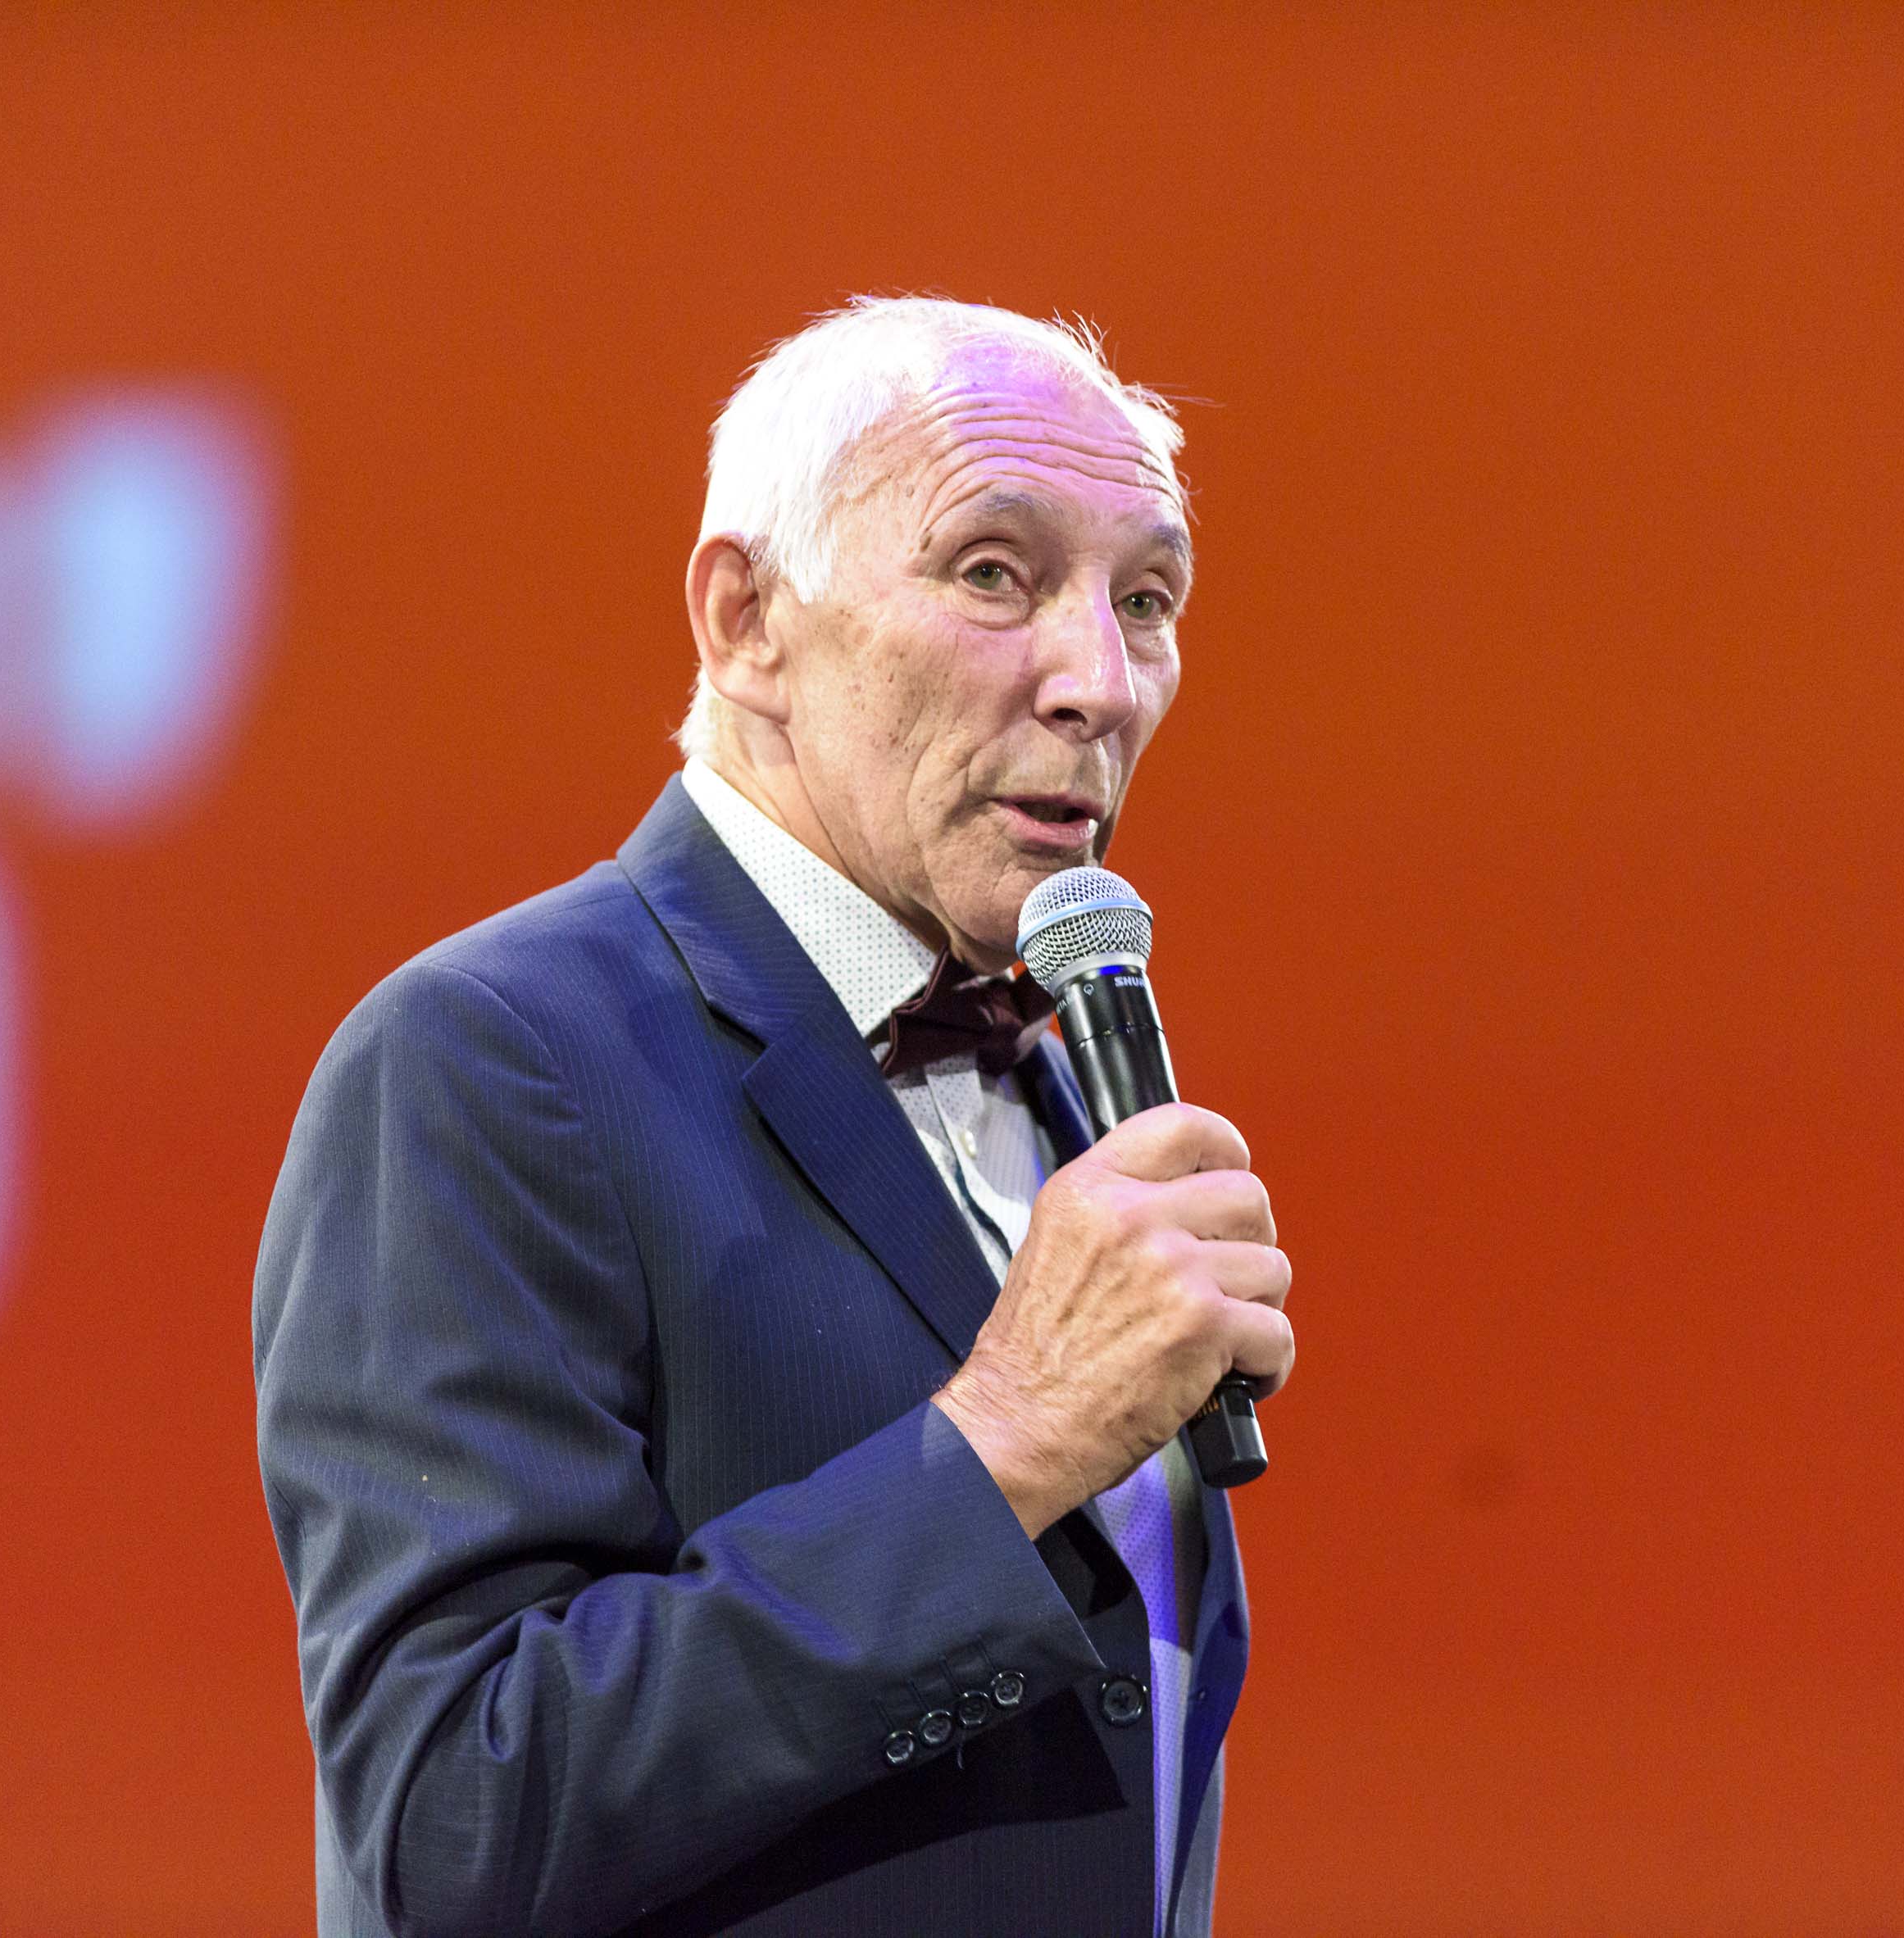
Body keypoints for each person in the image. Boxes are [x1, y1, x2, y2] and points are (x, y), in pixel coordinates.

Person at [253, 296, 1296, 1938]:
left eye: (1145, 599)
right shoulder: (489, 1058)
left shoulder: (1059, 1092)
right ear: (747, 621)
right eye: (993, 573)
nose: (1100, 682)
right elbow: (453, 1819)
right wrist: (1005, 1441)